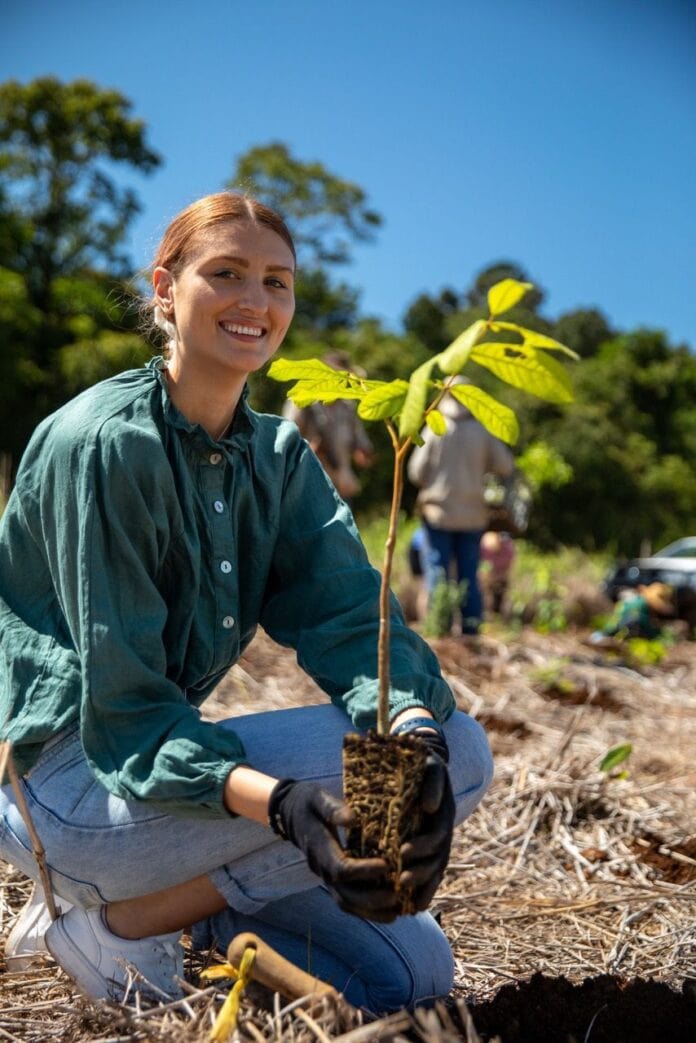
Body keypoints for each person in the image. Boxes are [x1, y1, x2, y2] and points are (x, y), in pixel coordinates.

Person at [0, 192, 493, 1012]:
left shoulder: (275, 456)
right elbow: (125, 710)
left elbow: (347, 618)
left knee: (409, 972)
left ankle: (193, 916)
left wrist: (411, 742)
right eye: (225, 273)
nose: (256, 303)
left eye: (278, 282)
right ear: (165, 288)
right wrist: (288, 810)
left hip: (157, 792)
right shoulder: (106, 444)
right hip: (69, 791)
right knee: (470, 753)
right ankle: (111, 922)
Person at [407, 386, 514, 636]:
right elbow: (505, 466)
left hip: (439, 514)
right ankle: (471, 632)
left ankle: (439, 630)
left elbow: (415, 472)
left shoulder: (436, 427)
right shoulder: (481, 430)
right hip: (473, 516)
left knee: (438, 572)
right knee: (468, 574)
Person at [282, 350, 374, 501]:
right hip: (305, 485)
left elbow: (362, 445)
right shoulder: (302, 400)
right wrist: (307, 449)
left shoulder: (348, 407)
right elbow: (285, 439)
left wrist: (363, 453)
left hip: (341, 487)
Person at [589, 582, 674, 644]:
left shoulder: (640, 600)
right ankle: (615, 641)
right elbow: (643, 621)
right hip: (623, 622)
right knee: (634, 624)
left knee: (609, 630)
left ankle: (599, 637)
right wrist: (656, 633)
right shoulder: (642, 604)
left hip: (618, 621)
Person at [479, 531, 516, 616]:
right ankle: (487, 612)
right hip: (489, 575)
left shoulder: (508, 550)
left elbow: (510, 567)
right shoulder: (485, 550)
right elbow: (483, 565)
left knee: (500, 594)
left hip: (502, 574)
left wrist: (501, 576)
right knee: (486, 593)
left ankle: (498, 615)